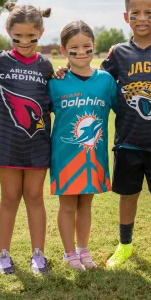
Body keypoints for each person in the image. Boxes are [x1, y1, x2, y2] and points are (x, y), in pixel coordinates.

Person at [102, 0, 151, 270]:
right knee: (127, 195)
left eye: (148, 13)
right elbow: (96, 82)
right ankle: (124, 246)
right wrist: (62, 71)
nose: (142, 18)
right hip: (127, 140)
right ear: (126, 16)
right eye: (136, 13)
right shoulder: (118, 54)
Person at [0, 2, 53, 275]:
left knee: (35, 197)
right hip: (7, 142)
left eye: (32, 37)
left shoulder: (46, 65)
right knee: (9, 198)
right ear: (8, 31)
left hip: (37, 143)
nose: (25, 42)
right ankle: (3, 255)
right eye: (18, 37)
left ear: (41, 32)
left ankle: (38, 254)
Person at [48, 20, 117, 270]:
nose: (81, 53)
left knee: (86, 203)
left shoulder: (106, 81)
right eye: (73, 48)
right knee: (67, 205)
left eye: (86, 47)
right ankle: (69, 253)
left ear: (94, 46)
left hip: (94, 156)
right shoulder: (56, 81)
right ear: (63, 50)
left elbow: (121, 110)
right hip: (65, 155)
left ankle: (83, 250)